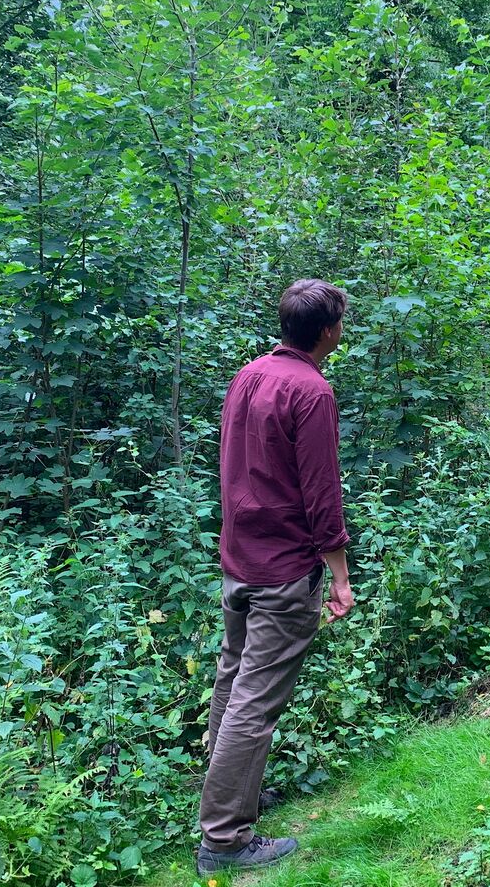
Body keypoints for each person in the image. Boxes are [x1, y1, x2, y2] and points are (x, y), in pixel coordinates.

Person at [196, 279, 356, 875]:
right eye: (341, 319)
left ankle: (227, 798)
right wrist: (338, 574)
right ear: (327, 330)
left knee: (233, 679)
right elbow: (321, 492)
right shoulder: (311, 390)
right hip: (282, 569)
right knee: (254, 703)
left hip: (239, 560)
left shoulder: (250, 374)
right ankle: (225, 840)